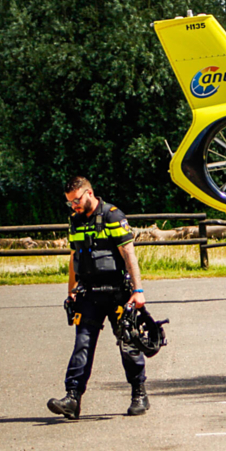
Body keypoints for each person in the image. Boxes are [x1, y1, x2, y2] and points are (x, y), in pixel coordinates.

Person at [48, 177, 149, 419]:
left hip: (117, 293)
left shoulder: (113, 216)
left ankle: (139, 394)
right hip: (89, 294)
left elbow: (129, 255)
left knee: (128, 343)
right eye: (70, 202)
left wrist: (138, 291)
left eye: (76, 200)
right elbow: (74, 257)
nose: (74, 206)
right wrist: (71, 291)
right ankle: (72, 398)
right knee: (82, 344)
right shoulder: (75, 221)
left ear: (89, 193)